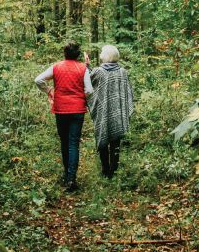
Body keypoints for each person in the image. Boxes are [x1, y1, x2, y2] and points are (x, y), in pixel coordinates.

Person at [35, 42, 93, 192]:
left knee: (64, 142)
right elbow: (89, 90)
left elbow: (38, 80)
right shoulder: (83, 68)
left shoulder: (56, 67)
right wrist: (81, 96)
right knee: (73, 143)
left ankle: (67, 175)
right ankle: (71, 179)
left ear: (65, 53)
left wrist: (49, 91)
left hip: (60, 109)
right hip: (77, 110)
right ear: (78, 55)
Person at [88, 45, 133, 179]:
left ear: (106, 55)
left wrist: (86, 66)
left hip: (104, 112)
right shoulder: (122, 71)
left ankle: (106, 170)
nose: (101, 54)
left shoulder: (99, 71)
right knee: (115, 142)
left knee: (104, 139)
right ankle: (113, 171)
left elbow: (87, 82)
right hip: (118, 112)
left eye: (102, 52)